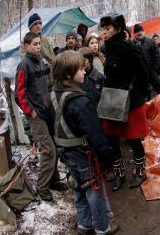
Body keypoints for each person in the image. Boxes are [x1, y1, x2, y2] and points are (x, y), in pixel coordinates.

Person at [50, 50, 118, 235]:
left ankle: (85, 224)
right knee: (95, 190)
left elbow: (52, 124)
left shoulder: (53, 94)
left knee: (80, 188)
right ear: (68, 74)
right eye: (80, 69)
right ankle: (102, 227)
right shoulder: (79, 101)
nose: (85, 72)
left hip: (67, 153)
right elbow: (95, 133)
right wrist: (108, 157)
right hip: (83, 154)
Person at [100, 14, 160, 191]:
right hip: (111, 100)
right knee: (112, 137)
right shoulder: (108, 49)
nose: (103, 32)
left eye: (107, 28)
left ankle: (140, 171)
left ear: (118, 29)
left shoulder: (129, 49)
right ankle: (119, 172)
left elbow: (144, 75)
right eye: (103, 29)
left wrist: (135, 93)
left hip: (130, 101)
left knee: (134, 139)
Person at [15, 32, 68, 201]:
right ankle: (42, 186)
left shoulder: (42, 62)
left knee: (54, 147)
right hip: (36, 115)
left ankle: (54, 181)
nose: (38, 47)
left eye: (39, 44)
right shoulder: (24, 65)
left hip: (48, 112)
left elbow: (50, 84)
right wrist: (30, 111)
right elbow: (19, 94)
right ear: (26, 46)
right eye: (34, 44)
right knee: (48, 151)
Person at [132, 24, 160, 97]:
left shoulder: (150, 42)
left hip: (151, 70)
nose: (139, 33)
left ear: (144, 32)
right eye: (137, 31)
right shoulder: (131, 44)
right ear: (134, 33)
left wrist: (154, 68)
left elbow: (157, 55)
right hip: (140, 74)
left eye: (141, 31)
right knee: (143, 93)